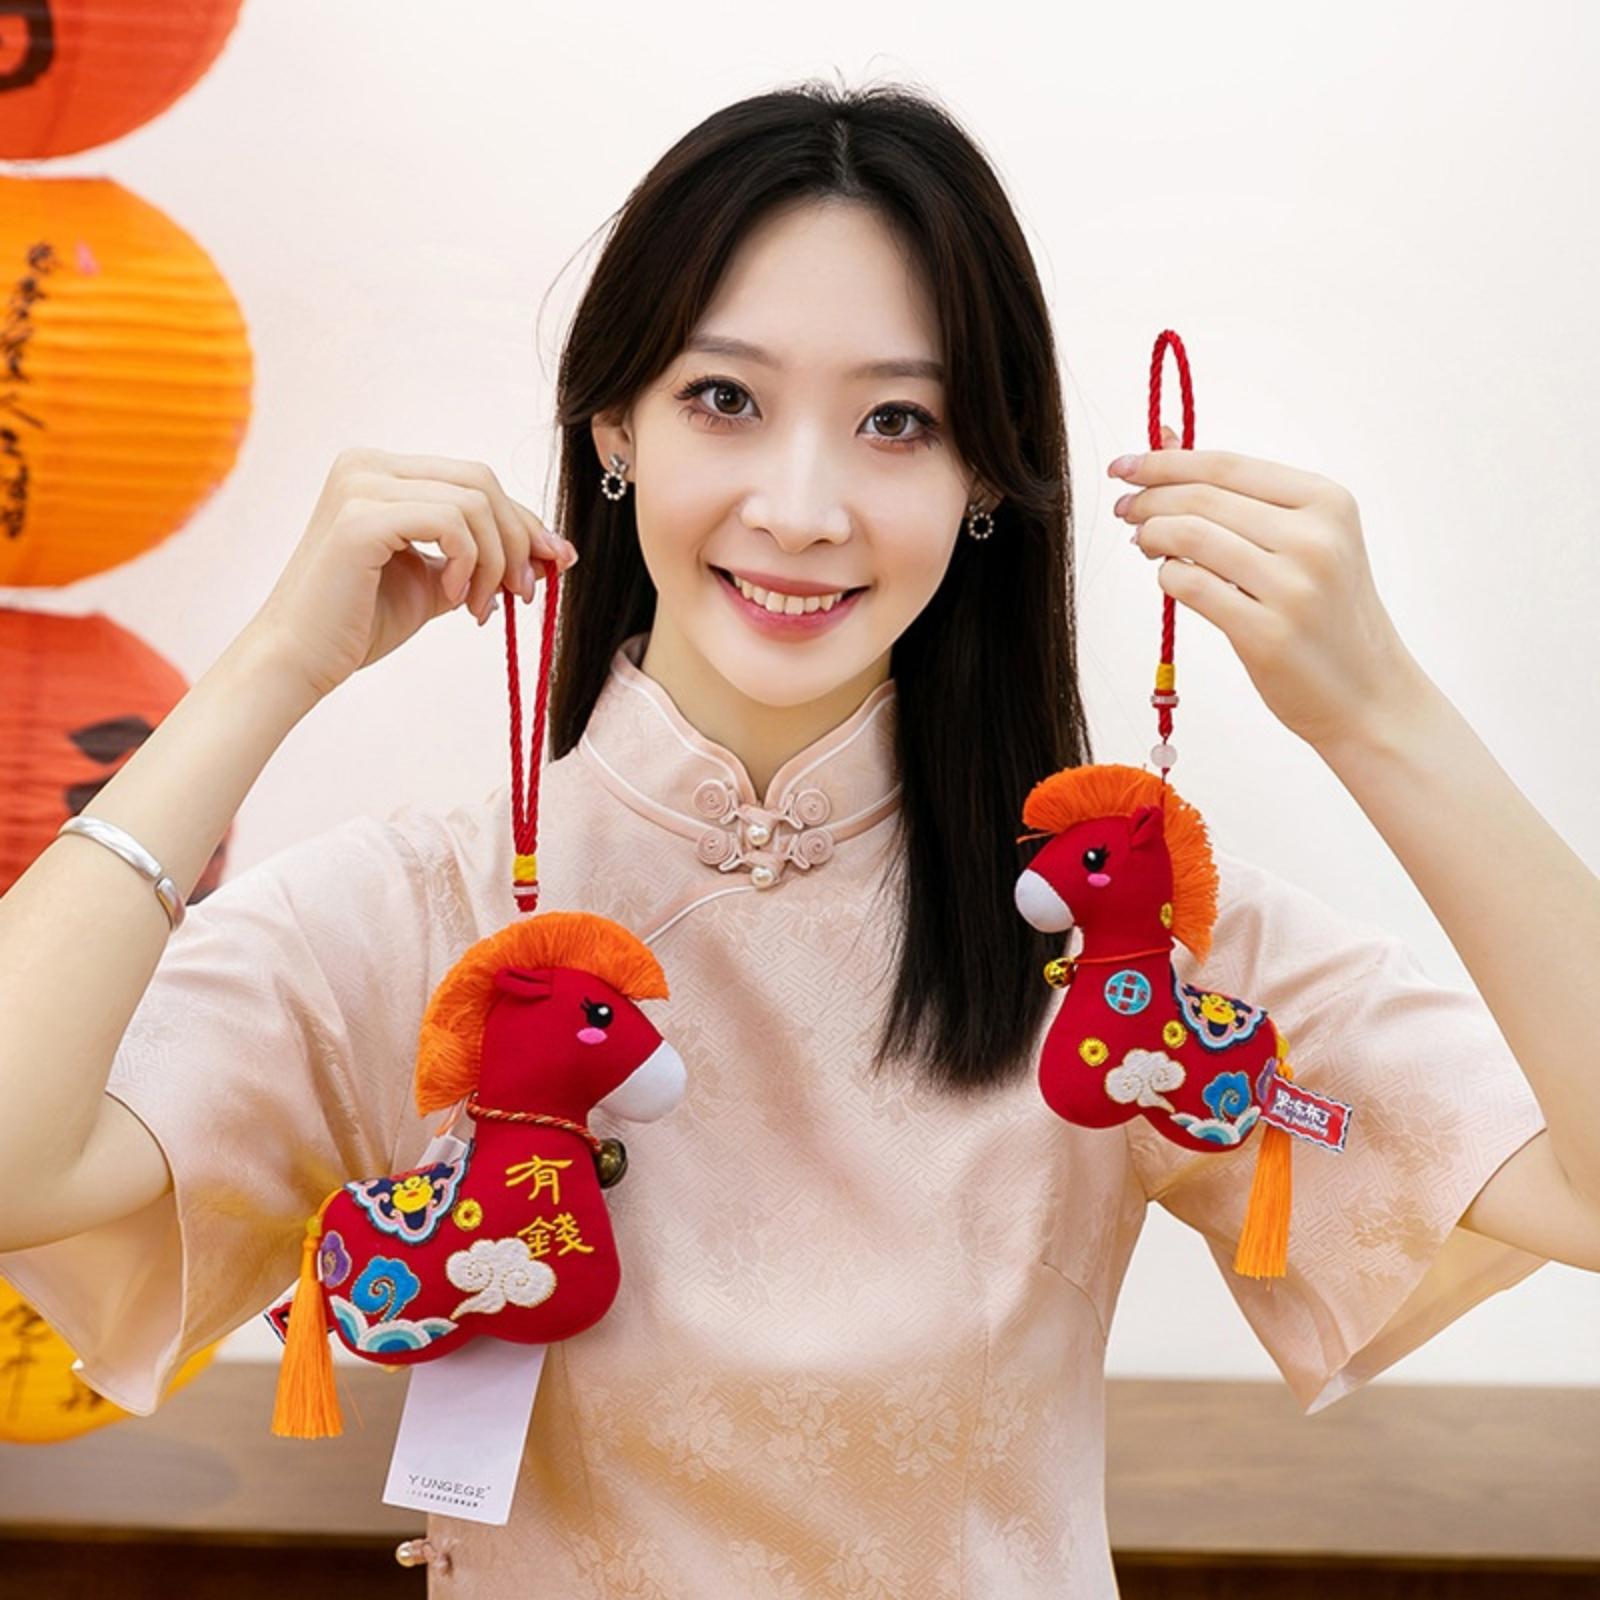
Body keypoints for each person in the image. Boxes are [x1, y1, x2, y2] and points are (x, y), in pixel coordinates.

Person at [0, 78, 1578, 1597]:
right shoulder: (423, 917)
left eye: (898, 419)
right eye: (726, 399)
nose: (804, 506)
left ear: (981, 477)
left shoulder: (1110, 935)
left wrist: (1381, 715)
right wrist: (271, 669)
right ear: (613, 426)